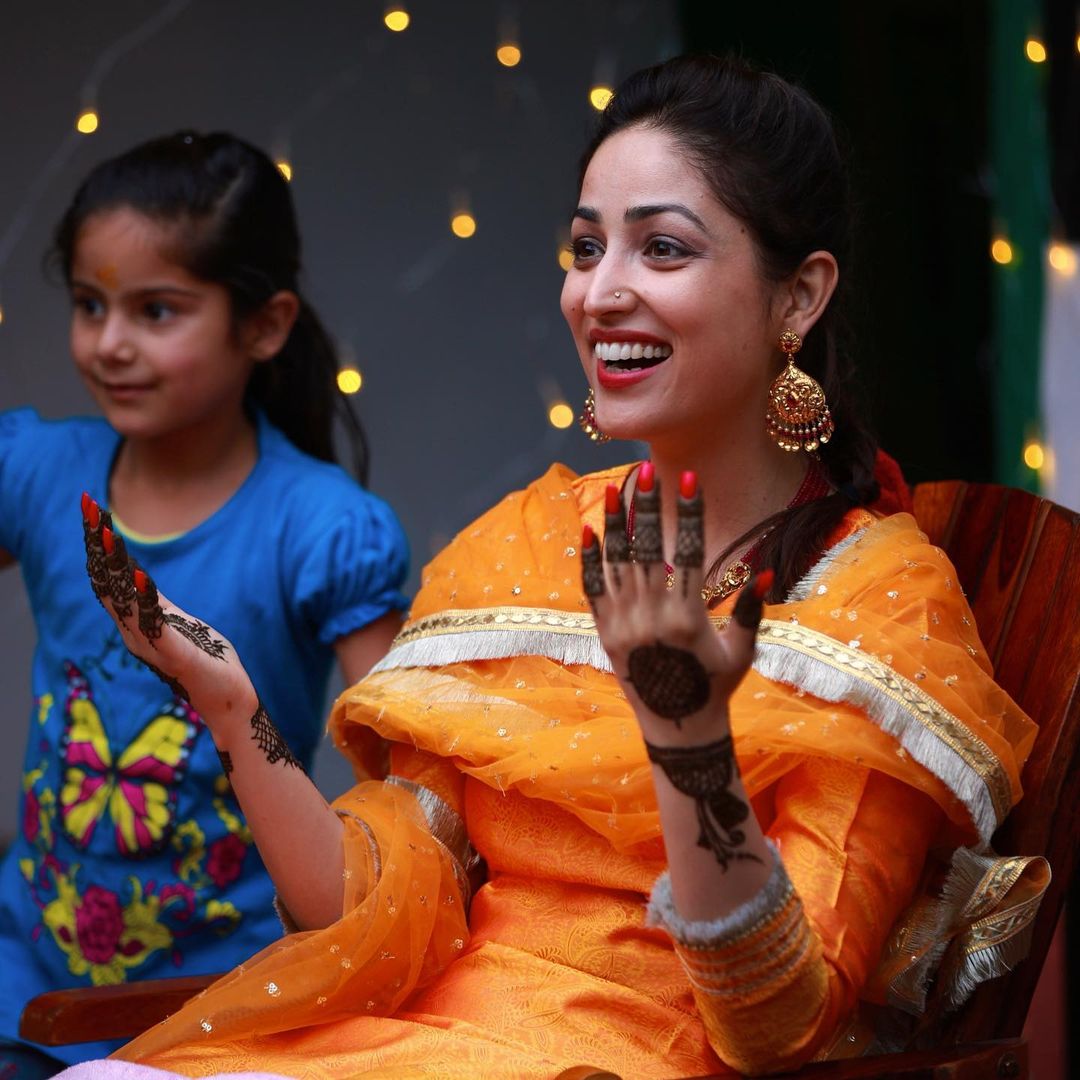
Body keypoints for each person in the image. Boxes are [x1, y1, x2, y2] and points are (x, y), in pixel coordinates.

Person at [59, 57, 1044, 1079]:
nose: (598, 292)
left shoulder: (875, 605)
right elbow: (376, 916)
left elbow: (781, 1025)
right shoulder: (529, 542)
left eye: (661, 248)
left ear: (798, 295)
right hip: (418, 1048)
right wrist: (233, 706)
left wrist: (688, 744)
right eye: (585, 247)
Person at [0, 132, 410, 1075]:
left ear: (263, 325)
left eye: (156, 310)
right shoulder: (36, 471)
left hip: (228, 1019)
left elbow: (403, 798)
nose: (110, 343)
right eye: (89, 305)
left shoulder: (324, 531)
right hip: (27, 990)